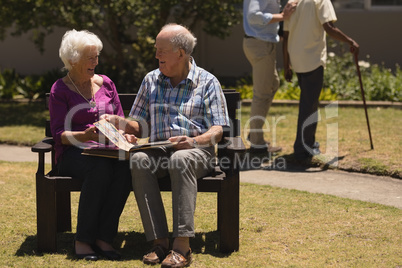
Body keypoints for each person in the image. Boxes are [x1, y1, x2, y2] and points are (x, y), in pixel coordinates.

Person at [104, 23, 229, 267]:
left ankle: (181, 246)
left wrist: (192, 141)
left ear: (181, 54)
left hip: (195, 152)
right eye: (156, 50)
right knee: (139, 159)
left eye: (162, 50)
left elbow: (218, 130)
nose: (156, 55)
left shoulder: (207, 82)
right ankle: (160, 243)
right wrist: (122, 125)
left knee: (180, 159)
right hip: (158, 150)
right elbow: (139, 125)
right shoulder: (151, 80)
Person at [49, 29, 133, 261]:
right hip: (73, 154)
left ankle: (104, 238)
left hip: (109, 151)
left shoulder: (106, 83)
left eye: (96, 56)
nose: (95, 62)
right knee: (99, 169)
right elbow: (59, 135)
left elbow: (120, 119)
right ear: (73, 60)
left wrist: (126, 136)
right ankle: (83, 240)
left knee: (125, 168)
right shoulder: (60, 89)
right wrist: (85, 136)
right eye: (90, 57)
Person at [283, 0, 359, 160]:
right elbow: (329, 28)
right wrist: (350, 41)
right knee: (308, 105)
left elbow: (286, 35)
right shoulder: (321, 1)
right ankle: (302, 148)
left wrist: (286, 64)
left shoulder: (293, 2)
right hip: (312, 60)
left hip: (297, 60)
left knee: (309, 103)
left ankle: (309, 143)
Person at [243, 0, 297, 154]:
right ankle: (257, 143)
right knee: (262, 94)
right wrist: (282, 16)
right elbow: (253, 16)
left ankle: (254, 134)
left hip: (262, 43)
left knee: (273, 84)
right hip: (260, 44)